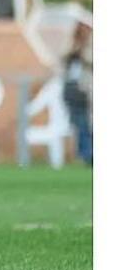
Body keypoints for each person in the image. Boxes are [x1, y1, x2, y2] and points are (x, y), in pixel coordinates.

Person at [62, 20, 92, 166]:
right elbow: (62, 62)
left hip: (86, 89)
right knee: (78, 124)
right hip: (72, 90)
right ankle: (85, 154)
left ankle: (89, 154)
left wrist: (83, 53)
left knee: (86, 123)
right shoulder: (71, 47)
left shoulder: (90, 47)